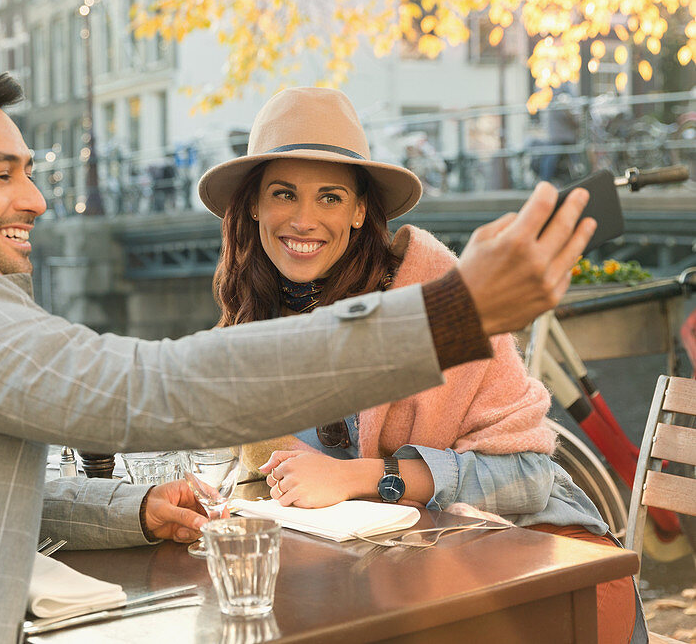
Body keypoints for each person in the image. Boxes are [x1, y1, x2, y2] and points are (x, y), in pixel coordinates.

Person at [0, 69, 595, 643]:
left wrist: (131, 510)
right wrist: (452, 316)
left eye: (29, 168)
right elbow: (154, 390)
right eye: (2, 174)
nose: (38, 196)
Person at [197, 86, 643, 644]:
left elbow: (529, 477)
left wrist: (357, 476)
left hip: (540, 569)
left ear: (361, 210)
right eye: (283, 193)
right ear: (256, 206)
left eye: (330, 197)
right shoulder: (255, 311)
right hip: (375, 572)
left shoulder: (436, 292)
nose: (303, 219)